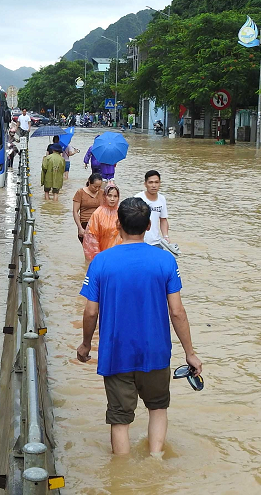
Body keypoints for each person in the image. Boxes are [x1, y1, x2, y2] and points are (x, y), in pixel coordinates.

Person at [78, 197, 201, 456]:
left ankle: (121, 476)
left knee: (120, 419)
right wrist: (190, 352)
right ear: (148, 226)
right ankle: (156, 459)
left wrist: (86, 344)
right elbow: (177, 312)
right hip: (155, 351)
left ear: (117, 224)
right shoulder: (165, 261)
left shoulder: (101, 262)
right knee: (157, 407)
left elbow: (91, 312)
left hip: (116, 352)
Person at [82, 183, 120, 261]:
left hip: (118, 255)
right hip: (103, 254)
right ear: (104, 196)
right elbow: (92, 239)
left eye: (115, 196)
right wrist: (97, 258)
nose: (112, 199)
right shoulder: (98, 214)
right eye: (109, 195)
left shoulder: (121, 213)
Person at [134, 170, 170, 247]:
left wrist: (166, 236)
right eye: (150, 182)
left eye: (156, 182)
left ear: (160, 183)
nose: (154, 185)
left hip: (156, 242)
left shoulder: (162, 199)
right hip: (140, 242)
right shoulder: (138, 198)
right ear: (145, 184)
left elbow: (163, 219)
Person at [73, 173, 104, 243]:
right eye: (95, 187)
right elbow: (75, 211)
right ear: (89, 182)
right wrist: (80, 228)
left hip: (99, 225)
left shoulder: (102, 193)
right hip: (85, 224)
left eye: (99, 187)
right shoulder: (80, 193)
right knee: (89, 251)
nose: (97, 189)